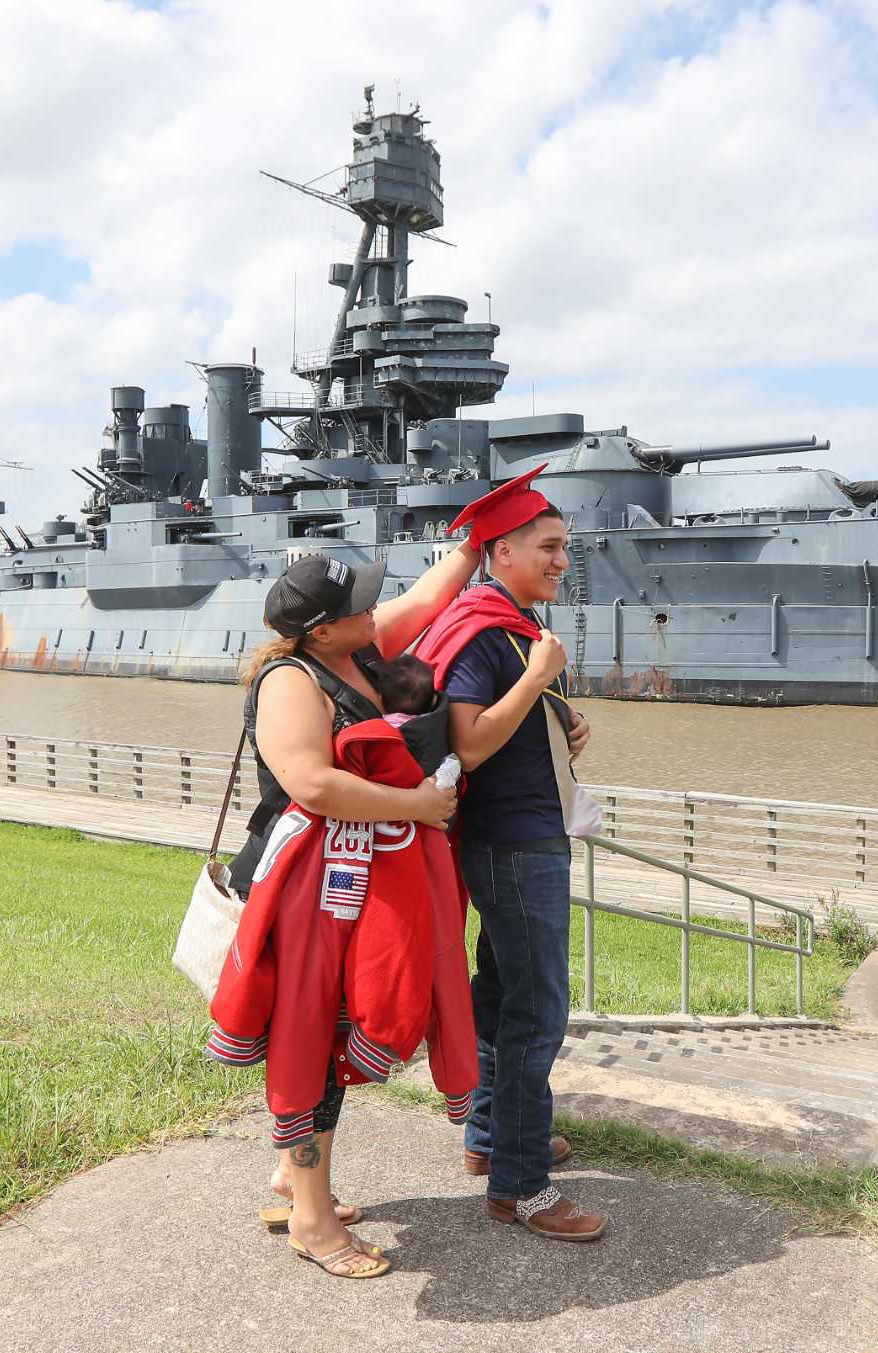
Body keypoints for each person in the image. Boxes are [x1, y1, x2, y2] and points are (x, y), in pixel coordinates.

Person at [215, 541, 478, 1278]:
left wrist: (476, 541)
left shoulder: (353, 649)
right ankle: (312, 1219)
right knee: (311, 1046)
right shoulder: (290, 682)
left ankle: (291, 1181)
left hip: (354, 886)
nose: (376, 605)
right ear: (323, 628)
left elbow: (426, 597)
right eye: (360, 600)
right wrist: (419, 804)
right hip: (306, 892)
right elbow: (312, 784)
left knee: (327, 1037)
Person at [411, 465, 605, 1243]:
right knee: (537, 1013)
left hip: (522, 837)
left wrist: (563, 721)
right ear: (501, 551)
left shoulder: (510, 625)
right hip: (515, 847)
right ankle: (521, 1188)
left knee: (499, 997)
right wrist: (536, 678)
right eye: (549, 546)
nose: (563, 559)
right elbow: (469, 740)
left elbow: (508, 726)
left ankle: (492, 1138)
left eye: (564, 546)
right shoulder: (488, 632)